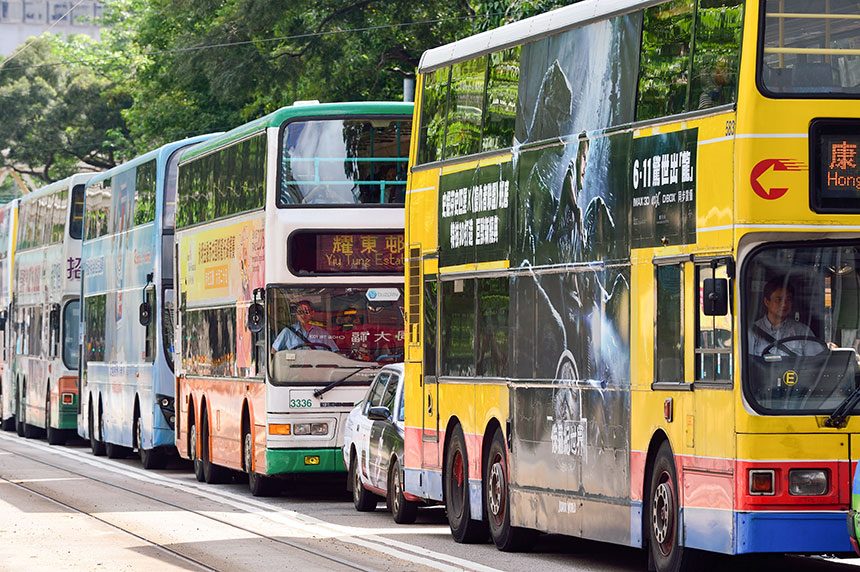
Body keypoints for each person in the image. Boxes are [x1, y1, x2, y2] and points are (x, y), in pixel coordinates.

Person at [748, 278, 821, 356]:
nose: (784, 304)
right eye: (778, 299)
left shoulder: (802, 331)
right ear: (767, 302)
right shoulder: (752, 332)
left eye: (788, 299)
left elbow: (815, 361)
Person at [272, 300, 338, 352]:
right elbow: (274, 351)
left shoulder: (322, 333)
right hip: (294, 368)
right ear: (296, 314)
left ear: (312, 313)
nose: (303, 315)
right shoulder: (287, 332)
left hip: (317, 368)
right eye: (300, 312)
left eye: (306, 312)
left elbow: (335, 352)